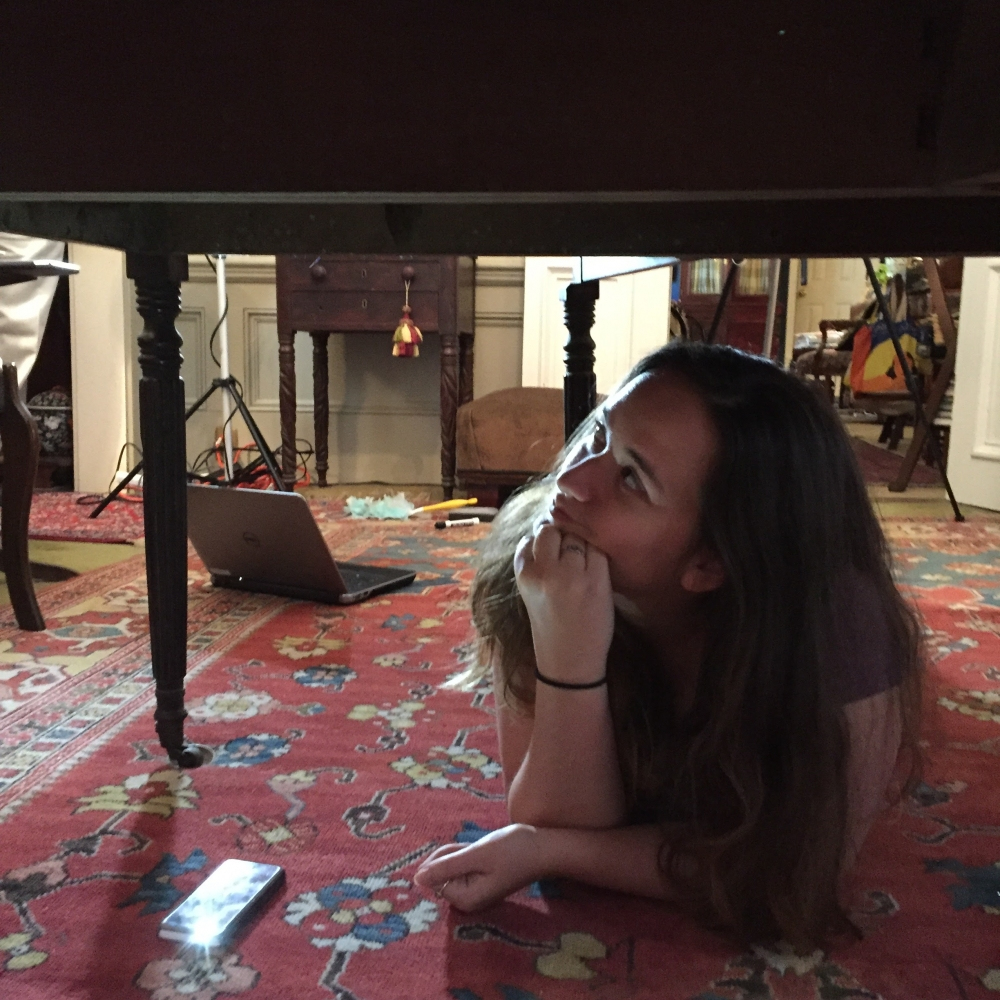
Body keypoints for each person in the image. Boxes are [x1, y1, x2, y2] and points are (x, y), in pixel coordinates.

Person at [413, 340, 923, 952]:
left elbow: (792, 875)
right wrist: (567, 653)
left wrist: (556, 850)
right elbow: (548, 819)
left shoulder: (837, 630)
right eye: (599, 434)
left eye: (631, 477)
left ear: (710, 562)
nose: (570, 478)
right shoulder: (544, 550)